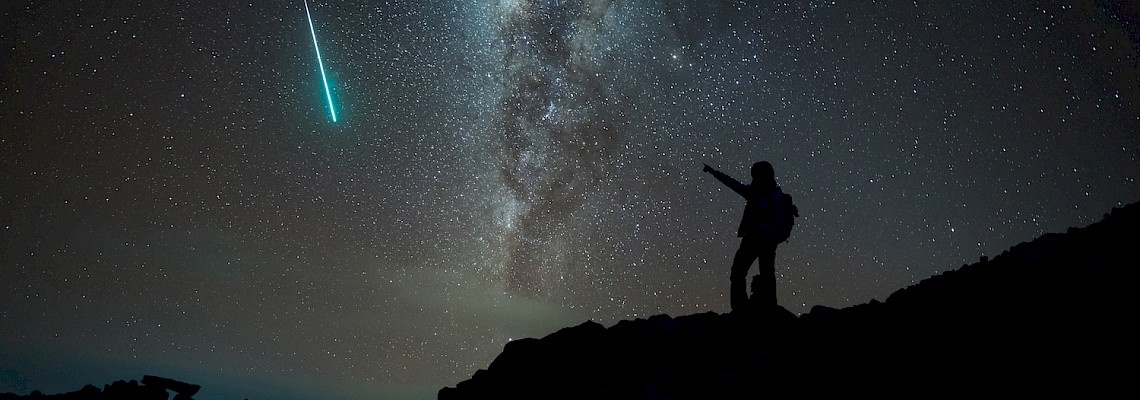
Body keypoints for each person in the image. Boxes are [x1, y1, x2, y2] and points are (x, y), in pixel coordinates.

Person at [703, 161, 788, 312]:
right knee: (757, 273)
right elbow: (732, 183)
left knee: (745, 272)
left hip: (759, 239)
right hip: (761, 240)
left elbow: (779, 218)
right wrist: (714, 172)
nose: (754, 178)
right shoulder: (762, 193)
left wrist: (769, 238)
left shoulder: (771, 195)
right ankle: (762, 307)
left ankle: (744, 308)